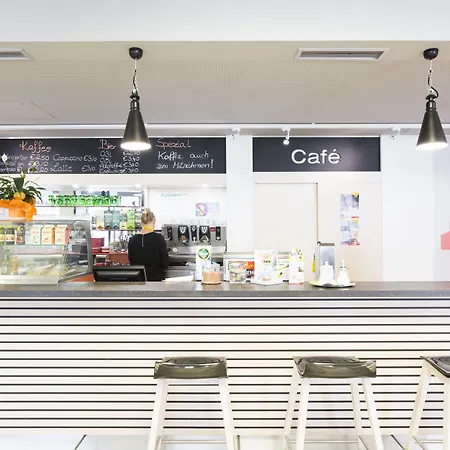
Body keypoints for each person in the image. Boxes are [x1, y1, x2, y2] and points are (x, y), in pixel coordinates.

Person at [128, 208, 169, 281]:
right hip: (156, 279)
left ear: (141, 222)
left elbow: (131, 261)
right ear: (154, 221)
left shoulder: (132, 239)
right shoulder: (159, 238)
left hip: (138, 279)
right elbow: (165, 263)